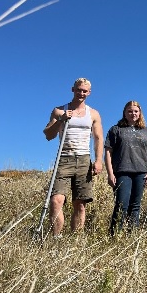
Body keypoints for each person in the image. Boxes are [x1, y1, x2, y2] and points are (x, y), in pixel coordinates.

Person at [43, 78, 104, 237]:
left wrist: (98, 160)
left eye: (85, 91)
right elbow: (48, 135)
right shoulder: (59, 110)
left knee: (80, 204)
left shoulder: (94, 114)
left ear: (89, 93)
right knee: (56, 201)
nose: (81, 93)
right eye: (79, 90)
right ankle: (56, 238)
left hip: (84, 159)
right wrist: (61, 120)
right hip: (64, 158)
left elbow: (98, 138)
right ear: (73, 89)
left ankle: (74, 242)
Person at [105, 100, 147, 235]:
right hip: (122, 172)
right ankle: (115, 235)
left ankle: (132, 235)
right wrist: (110, 173)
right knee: (122, 204)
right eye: (130, 111)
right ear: (124, 113)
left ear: (140, 113)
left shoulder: (146, 131)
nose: (133, 113)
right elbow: (108, 152)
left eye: (135, 111)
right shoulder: (116, 130)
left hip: (141, 172)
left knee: (135, 206)